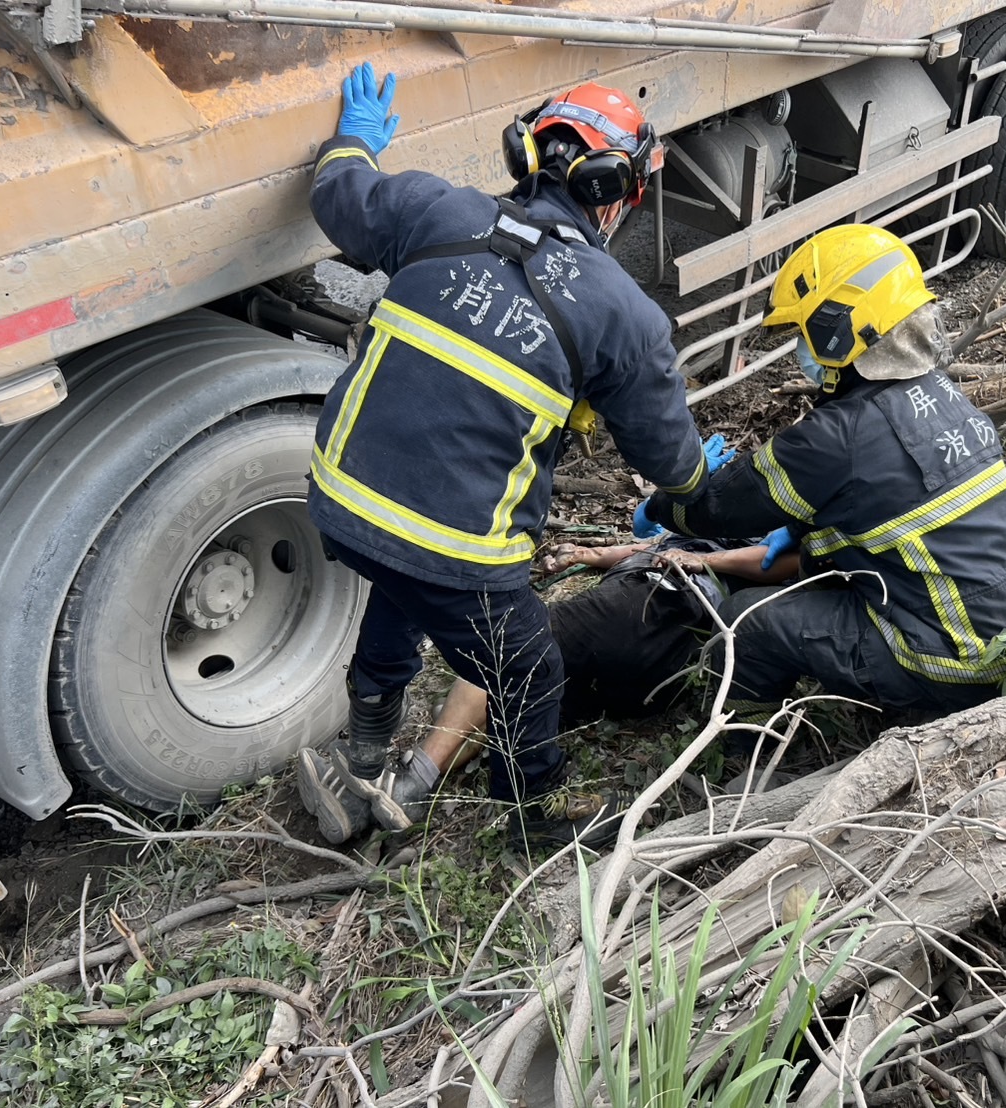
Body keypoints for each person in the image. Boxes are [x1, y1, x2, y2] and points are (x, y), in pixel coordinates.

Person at [298, 62, 732, 851]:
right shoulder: (620, 313)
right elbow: (671, 460)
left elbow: (338, 192)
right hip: (454, 544)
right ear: (618, 193)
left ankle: (364, 751)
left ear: (522, 155)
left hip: (342, 496)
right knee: (527, 668)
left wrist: (355, 139)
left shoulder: (435, 209)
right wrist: (699, 487)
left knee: (398, 588)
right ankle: (530, 820)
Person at [632, 225, 1006, 725]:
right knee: (819, 568)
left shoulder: (837, 435)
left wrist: (664, 503)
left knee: (747, 623)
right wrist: (798, 529)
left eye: (804, 334)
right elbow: (881, 493)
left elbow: (718, 507)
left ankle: (739, 745)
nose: (802, 349)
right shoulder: (942, 395)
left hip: (958, 655)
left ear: (836, 329)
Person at [300, 535, 799, 844]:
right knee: (515, 711)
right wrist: (588, 553)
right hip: (648, 676)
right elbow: (646, 547)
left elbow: (786, 561)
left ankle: (410, 784)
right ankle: (373, 799)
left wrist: (700, 556)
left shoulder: (737, 525)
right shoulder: (686, 529)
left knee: (506, 652)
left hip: (658, 607)